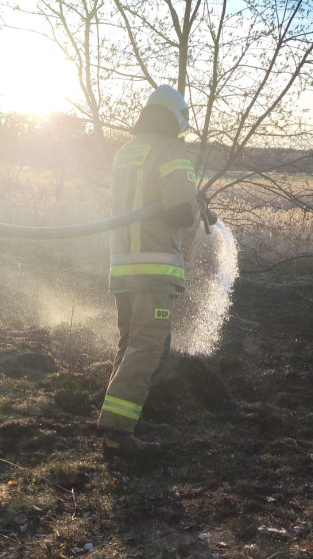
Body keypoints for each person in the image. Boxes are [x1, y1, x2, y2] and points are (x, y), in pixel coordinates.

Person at [98, 85, 217, 459]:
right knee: (147, 348)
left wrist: (187, 197)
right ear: (176, 119)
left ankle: (113, 424)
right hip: (154, 268)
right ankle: (117, 432)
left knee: (129, 345)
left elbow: (149, 199)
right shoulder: (171, 151)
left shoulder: (125, 153)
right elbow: (179, 211)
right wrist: (197, 207)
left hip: (123, 267)